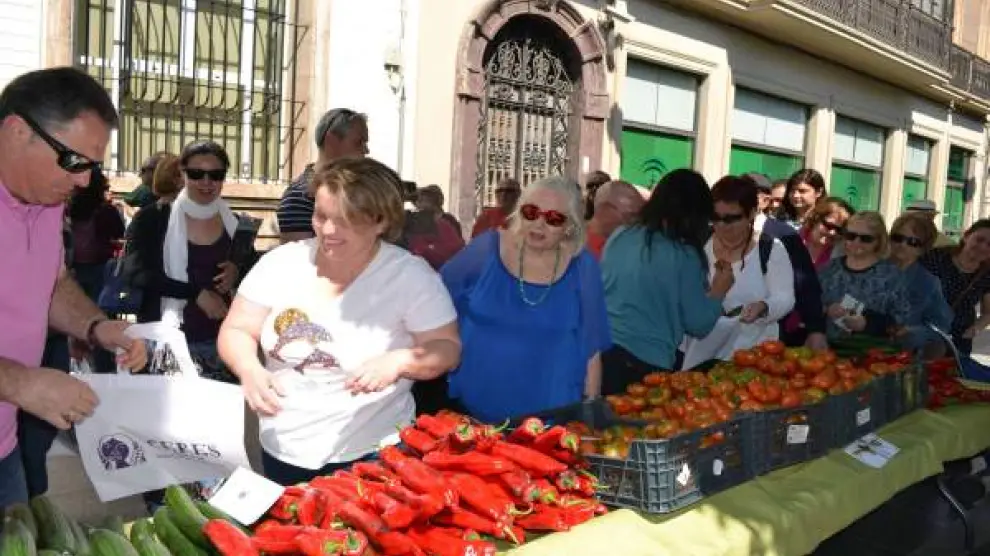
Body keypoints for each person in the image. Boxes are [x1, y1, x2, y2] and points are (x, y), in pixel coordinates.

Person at [218, 157, 461, 485]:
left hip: (375, 453)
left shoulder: (410, 277)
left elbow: (446, 348)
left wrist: (401, 360)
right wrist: (248, 368)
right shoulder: (281, 263)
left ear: (380, 221)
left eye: (346, 220)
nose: (328, 230)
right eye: (321, 216)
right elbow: (237, 329)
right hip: (282, 446)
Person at [0, 67, 147, 508]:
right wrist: (21, 383)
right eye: (74, 161)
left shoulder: (46, 200)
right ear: (18, 131)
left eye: (92, 166)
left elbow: (53, 283)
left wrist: (97, 327)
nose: (84, 180)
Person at [442, 176, 610, 422]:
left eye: (553, 218)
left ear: (570, 226)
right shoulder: (486, 249)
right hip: (475, 410)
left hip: (552, 417)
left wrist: (590, 410)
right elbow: (438, 300)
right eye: (531, 212)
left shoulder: (583, 266)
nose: (539, 224)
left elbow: (592, 348)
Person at [125, 140, 250, 383]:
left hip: (223, 344)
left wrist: (237, 271)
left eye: (215, 175)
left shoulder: (235, 224)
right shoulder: (153, 218)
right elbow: (135, 273)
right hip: (168, 342)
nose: (206, 182)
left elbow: (254, 273)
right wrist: (195, 293)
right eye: (196, 174)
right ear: (182, 174)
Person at [600, 170, 733, 392]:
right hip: (646, 363)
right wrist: (720, 289)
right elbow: (698, 324)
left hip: (600, 352)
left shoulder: (622, 234)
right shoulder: (684, 254)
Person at [679, 176, 794, 370]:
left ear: (752, 213)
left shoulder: (771, 249)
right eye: (715, 217)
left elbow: (785, 297)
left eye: (731, 218)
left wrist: (764, 307)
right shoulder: (698, 244)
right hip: (698, 356)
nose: (722, 225)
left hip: (752, 357)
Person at [743, 173, 828, 350]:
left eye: (747, 194)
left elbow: (804, 282)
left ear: (765, 200)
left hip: (768, 334)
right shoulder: (717, 230)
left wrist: (816, 329)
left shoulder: (784, 234)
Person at [277, 108, 369, 244]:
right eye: (359, 142)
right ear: (332, 141)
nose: (366, 150)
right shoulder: (299, 197)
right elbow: (300, 255)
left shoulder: (360, 191)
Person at [820, 212, 911, 342]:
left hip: (872, 350)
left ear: (878, 241)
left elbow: (902, 320)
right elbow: (810, 305)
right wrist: (827, 309)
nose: (856, 242)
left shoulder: (892, 275)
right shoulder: (829, 269)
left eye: (866, 239)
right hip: (825, 348)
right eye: (851, 236)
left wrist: (867, 322)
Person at [68, 171, 126, 372]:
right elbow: (119, 232)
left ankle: (75, 363)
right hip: (100, 269)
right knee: (99, 318)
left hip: (73, 269)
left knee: (73, 317)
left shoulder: (70, 208)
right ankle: (103, 368)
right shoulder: (106, 210)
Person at [920, 219, 990, 355]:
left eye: (989, 244)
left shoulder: (987, 274)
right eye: (979, 239)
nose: (983, 247)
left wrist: (974, 329)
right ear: (966, 236)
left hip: (958, 339)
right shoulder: (937, 257)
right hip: (924, 330)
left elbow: (988, 312)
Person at [887, 213, 952, 358]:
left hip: (900, 356)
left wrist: (912, 331)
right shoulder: (870, 267)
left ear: (923, 248)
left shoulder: (928, 282)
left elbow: (940, 327)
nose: (902, 245)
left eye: (913, 242)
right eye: (898, 238)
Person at [585, 180, 644, 260]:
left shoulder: (629, 247)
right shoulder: (574, 245)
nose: (636, 223)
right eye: (631, 215)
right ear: (606, 210)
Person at [799, 197, 854, 269]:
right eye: (829, 226)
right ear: (816, 218)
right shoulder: (795, 238)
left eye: (839, 230)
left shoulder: (842, 252)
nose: (832, 233)